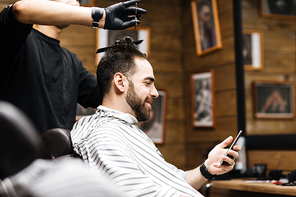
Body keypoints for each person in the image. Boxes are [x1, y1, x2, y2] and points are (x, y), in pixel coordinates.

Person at [71, 38, 241, 197]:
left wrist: (207, 168)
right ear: (120, 82)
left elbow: (173, 182)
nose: (154, 92)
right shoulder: (104, 135)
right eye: (147, 83)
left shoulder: (126, 130)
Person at [0, 0, 146, 135]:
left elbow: (109, 95)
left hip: (57, 160)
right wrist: (102, 17)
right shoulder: (17, 39)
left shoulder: (72, 62)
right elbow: (21, 9)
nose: (76, 3)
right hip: (15, 159)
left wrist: (128, 62)